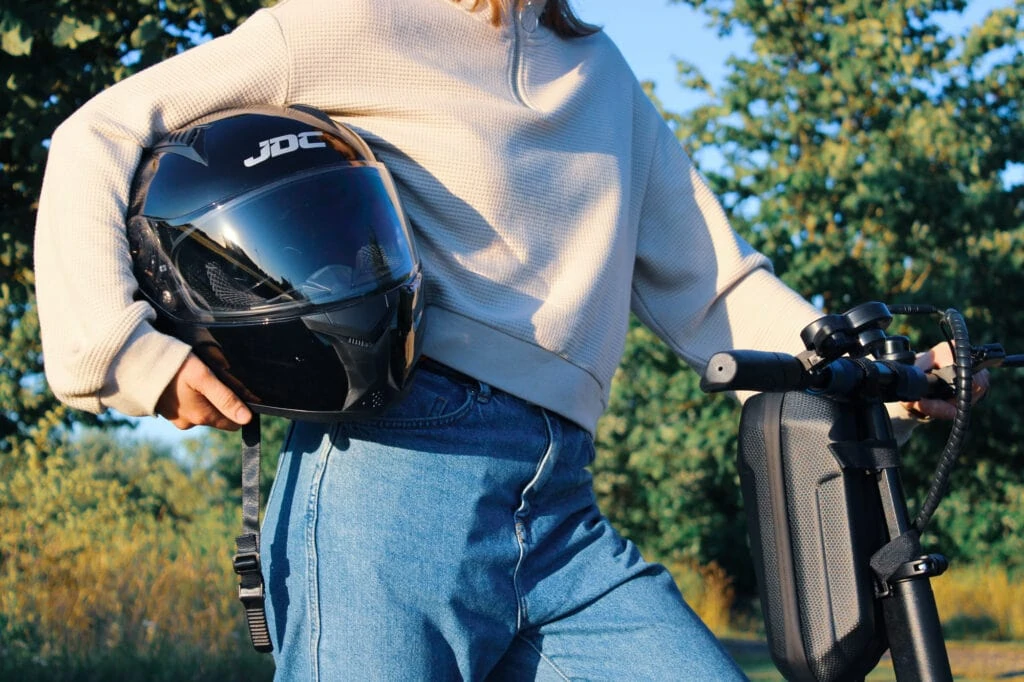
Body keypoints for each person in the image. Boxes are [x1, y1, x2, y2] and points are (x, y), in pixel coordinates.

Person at [33, 0, 980, 679]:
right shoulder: (351, 20)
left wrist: (873, 376)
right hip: (390, 480)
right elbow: (98, 131)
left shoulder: (602, 75)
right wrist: (123, 355)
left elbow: (716, 292)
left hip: (561, 509)